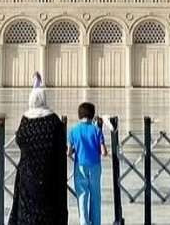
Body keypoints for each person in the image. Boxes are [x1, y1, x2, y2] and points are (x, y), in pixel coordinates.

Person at [8, 72, 68, 225]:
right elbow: (61, 148)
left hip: (28, 180)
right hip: (50, 179)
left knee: (27, 214)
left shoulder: (26, 120)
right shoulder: (54, 121)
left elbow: (19, 139)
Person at [68, 101, 107, 225]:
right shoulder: (96, 130)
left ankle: (84, 222)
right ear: (92, 115)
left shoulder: (73, 131)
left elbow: (68, 152)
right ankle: (96, 222)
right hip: (95, 166)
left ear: (79, 115)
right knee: (96, 196)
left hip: (80, 166)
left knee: (82, 196)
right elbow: (103, 151)